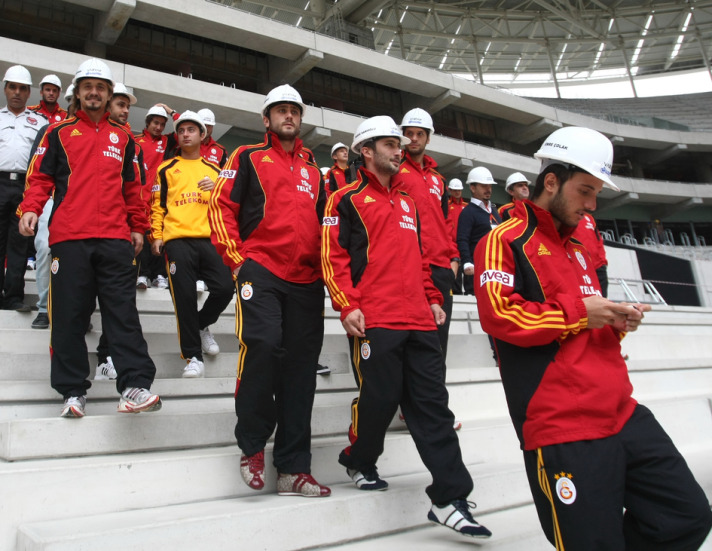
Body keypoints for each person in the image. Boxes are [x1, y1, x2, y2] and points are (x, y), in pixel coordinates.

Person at [474, 126, 712, 551]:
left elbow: (583, 321)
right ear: (551, 181)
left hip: (623, 411)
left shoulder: (582, 246)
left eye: (596, 192)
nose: (592, 204)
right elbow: (499, 315)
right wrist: (582, 314)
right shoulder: (503, 239)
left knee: (687, 517)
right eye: (585, 190)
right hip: (563, 427)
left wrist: (614, 321)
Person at [322, 115, 491, 539]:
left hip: (418, 317)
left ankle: (451, 497)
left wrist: (434, 299)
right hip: (374, 318)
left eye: (401, 144)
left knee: (434, 406)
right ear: (366, 150)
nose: (400, 150)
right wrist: (347, 306)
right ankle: (359, 459)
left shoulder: (409, 202)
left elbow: (419, 258)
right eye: (390, 145)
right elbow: (334, 258)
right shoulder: (344, 199)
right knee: (379, 401)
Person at [18, 58, 161, 418]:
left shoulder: (125, 138)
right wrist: (31, 208)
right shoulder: (58, 133)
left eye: (101, 87)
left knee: (123, 314)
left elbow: (134, 188)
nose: (94, 92)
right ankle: (71, 391)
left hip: (115, 239)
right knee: (69, 316)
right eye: (88, 87)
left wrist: (138, 226)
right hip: (69, 238)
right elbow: (39, 179)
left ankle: (134, 385)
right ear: (78, 93)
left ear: (109, 94)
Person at [208, 84, 329, 497]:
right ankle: (253, 445)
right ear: (266, 119)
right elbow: (221, 206)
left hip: (307, 281)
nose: (288, 116)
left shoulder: (316, 171)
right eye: (280, 110)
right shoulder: (246, 157)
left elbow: (328, 230)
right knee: (261, 344)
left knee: (301, 372)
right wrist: (236, 259)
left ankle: (294, 469)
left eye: (294, 110)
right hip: (261, 268)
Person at [151, 111, 234, 377]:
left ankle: (201, 324)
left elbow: (227, 207)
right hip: (177, 240)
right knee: (184, 297)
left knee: (224, 287)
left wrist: (218, 190)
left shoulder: (215, 171)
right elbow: (158, 205)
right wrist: (157, 235)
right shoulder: (166, 168)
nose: (186, 134)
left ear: (203, 135)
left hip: (209, 240)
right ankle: (192, 357)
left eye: (191, 130)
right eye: (182, 130)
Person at [397, 109, 460, 377]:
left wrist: (453, 259)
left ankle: (435, 407)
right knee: (413, 339)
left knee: (439, 341)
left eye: (419, 134)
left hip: (441, 268)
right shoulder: (395, 170)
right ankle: (410, 403)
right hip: (409, 266)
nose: (413, 139)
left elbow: (445, 222)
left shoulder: (439, 179)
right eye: (409, 133)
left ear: (428, 138)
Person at [1, 65, 46, 312]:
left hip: (24, 187)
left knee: (19, 244)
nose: (17, 92)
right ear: (6, 89)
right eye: (13, 87)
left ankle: (13, 297)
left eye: (22, 88)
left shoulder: (40, 122)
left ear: (29, 93)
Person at [135, 104, 171, 290]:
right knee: (141, 235)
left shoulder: (166, 141)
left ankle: (159, 275)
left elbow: (186, 124)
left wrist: (170, 110)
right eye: (155, 123)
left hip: (159, 198)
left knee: (158, 236)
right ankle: (142, 275)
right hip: (140, 198)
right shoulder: (135, 141)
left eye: (162, 124)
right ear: (148, 122)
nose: (158, 127)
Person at [456, 166, 501, 296]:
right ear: (473, 188)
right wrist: (467, 262)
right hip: (478, 271)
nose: (488, 189)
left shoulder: (495, 212)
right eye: (484, 186)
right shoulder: (468, 212)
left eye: (490, 186)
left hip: (497, 270)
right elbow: (462, 239)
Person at [573, 212, 609, 297]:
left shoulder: (589, 218)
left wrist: (602, 262)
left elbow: (598, 240)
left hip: (597, 267)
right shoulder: (568, 216)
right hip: (578, 267)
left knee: (602, 301)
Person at [447, 178, 468, 295]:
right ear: (450, 190)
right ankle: (456, 291)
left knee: (468, 264)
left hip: (465, 240)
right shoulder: (448, 205)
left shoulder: (466, 206)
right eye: (455, 190)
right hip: (453, 241)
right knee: (456, 266)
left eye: (459, 190)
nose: (457, 192)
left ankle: (470, 290)